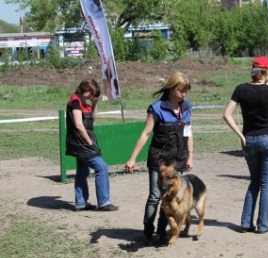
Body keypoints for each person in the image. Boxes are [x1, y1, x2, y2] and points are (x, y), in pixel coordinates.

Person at [125, 71, 194, 242]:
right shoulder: (156, 108)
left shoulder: (187, 107)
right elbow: (146, 133)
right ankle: (148, 230)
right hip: (160, 160)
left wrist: (190, 156)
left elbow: (189, 132)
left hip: (178, 159)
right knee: (156, 196)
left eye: (185, 91)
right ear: (171, 89)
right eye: (180, 91)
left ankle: (162, 230)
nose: (183, 94)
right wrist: (132, 158)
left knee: (171, 196)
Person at [223, 56, 268, 234]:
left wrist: (240, 134)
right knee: (267, 183)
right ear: (266, 72)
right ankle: (263, 225)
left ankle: (246, 223)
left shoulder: (240, 89)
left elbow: (226, 114)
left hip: (248, 140)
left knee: (254, 182)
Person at [65, 79, 119, 212]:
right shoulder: (76, 101)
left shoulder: (84, 103)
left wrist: (95, 104)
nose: (93, 97)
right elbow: (78, 125)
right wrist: (89, 142)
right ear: (86, 89)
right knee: (101, 167)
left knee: (83, 171)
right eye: (93, 94)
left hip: (81, 142)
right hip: (82, 142)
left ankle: (81, 202)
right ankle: (104, 202)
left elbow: (93, 119)